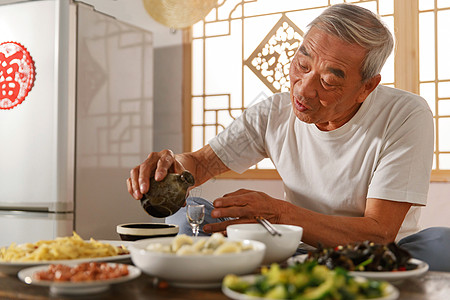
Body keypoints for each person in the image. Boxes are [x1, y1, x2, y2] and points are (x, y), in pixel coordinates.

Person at [127, 3, 450, 271]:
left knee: (441, 244)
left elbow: (379, 233)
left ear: (366, 87)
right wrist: (172, 168)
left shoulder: (405, 114)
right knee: (189, 211)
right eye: (302, 64)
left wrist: (279, 212)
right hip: (289, 246)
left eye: (328, 80)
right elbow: (199, 163)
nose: (303, 89)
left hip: (373, 259)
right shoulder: (274, 111)